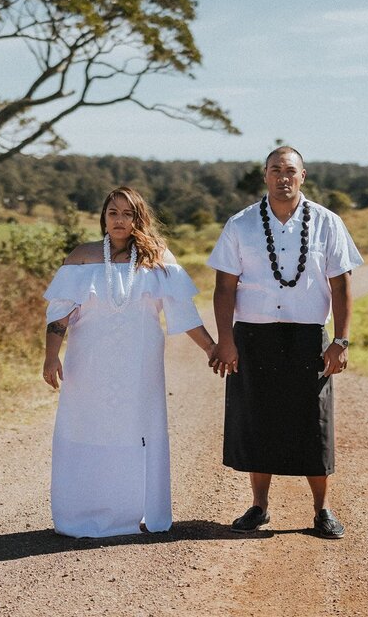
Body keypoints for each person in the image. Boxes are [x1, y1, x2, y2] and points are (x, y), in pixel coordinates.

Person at [42, 186, 217, 538]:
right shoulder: (82, 257)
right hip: (88, 364)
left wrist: (212, 348)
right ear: (103, 218)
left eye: (127, 214)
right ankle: (80, 511)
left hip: (139, 366)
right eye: (112, 213)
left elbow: (183, 312)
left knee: (134, 430)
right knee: (88, 427)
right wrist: (50, 357)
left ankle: (131, 511)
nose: (119, 220)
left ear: (139, 218)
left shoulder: (157, 258)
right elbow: (59, 314)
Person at [207, 146, 363, 539]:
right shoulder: (240, 225)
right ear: (265, 176)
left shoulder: (327, 223)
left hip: (308, 337)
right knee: (258, 420)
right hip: (254, 336)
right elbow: (224, 288)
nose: (283, 177)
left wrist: (340, 340)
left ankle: (322, 510)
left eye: (290, 170)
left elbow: (341, 285)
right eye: (275, 170)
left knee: (314, 423)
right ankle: (259, 507)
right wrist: (226, 340)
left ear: (303, 176)